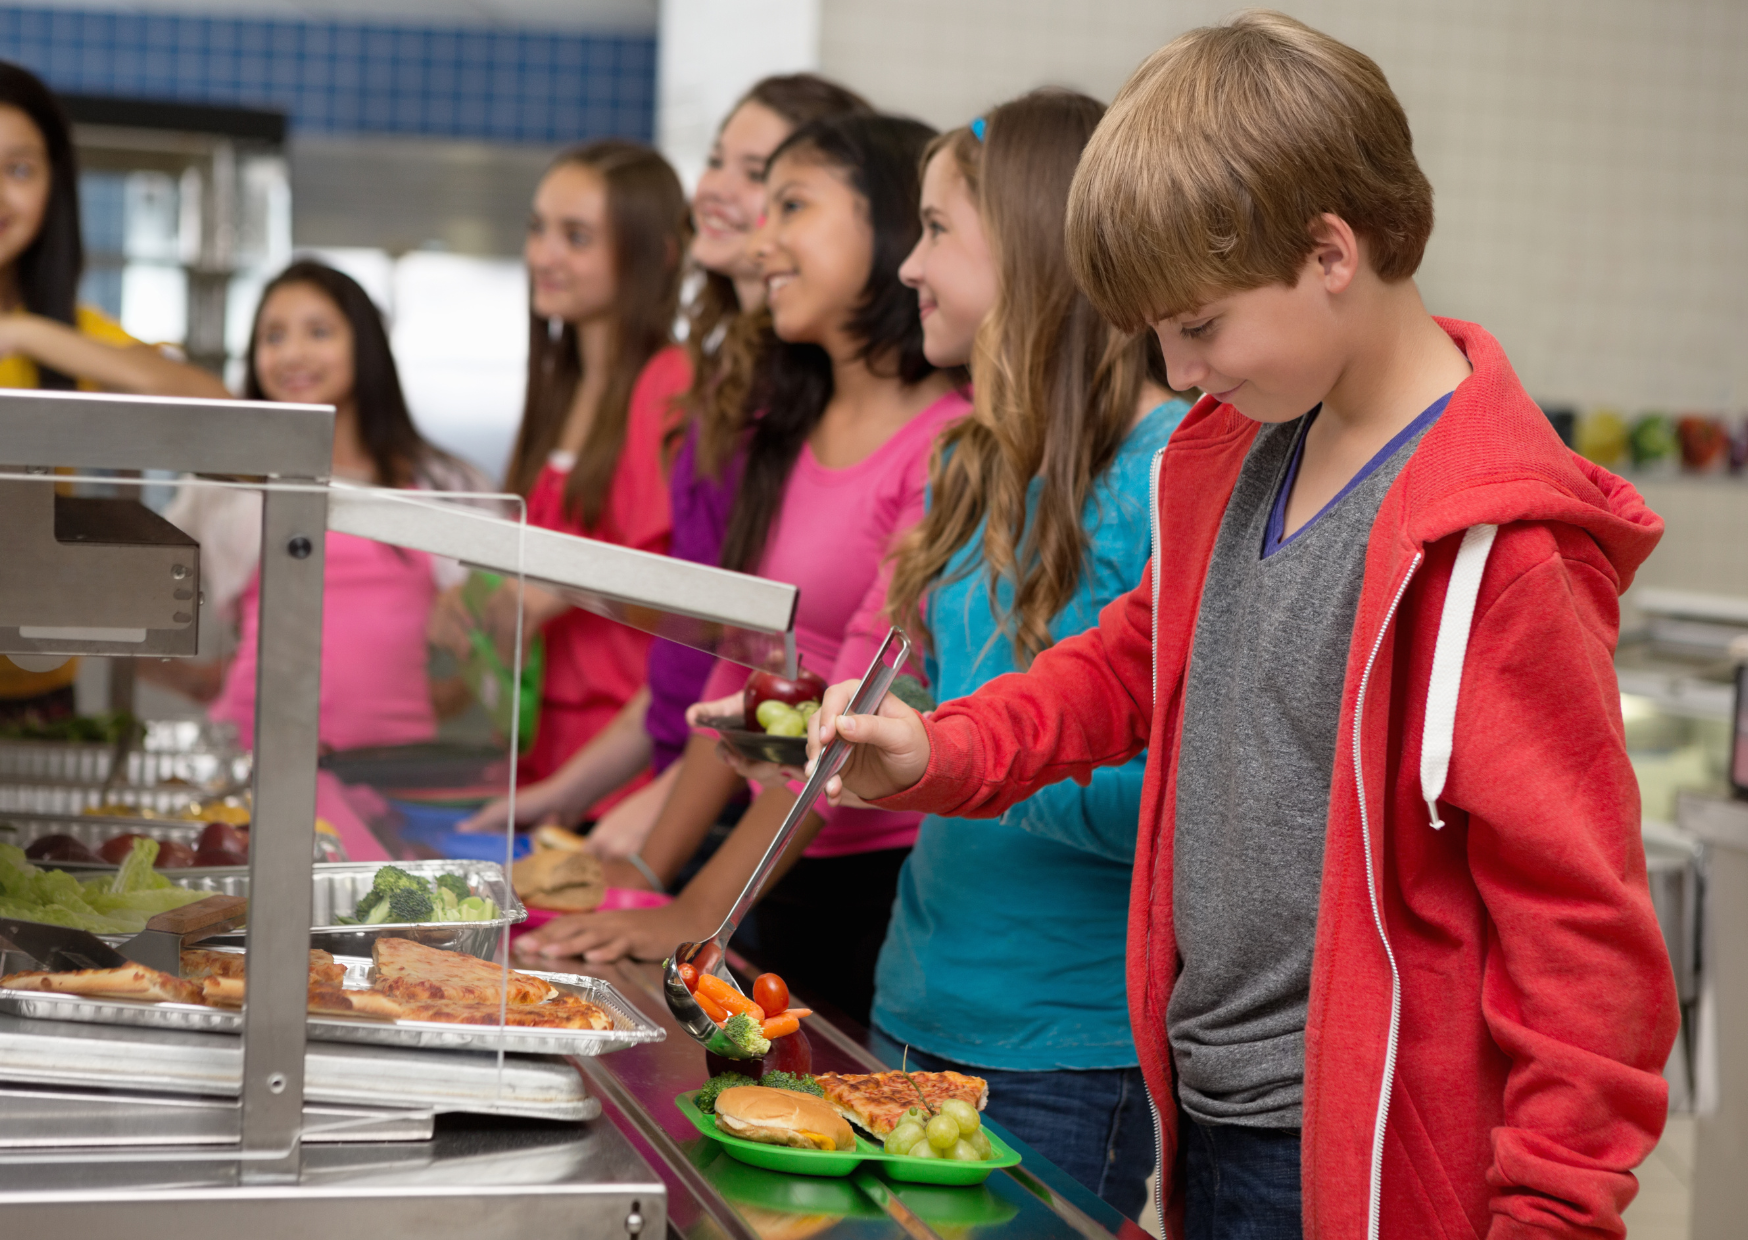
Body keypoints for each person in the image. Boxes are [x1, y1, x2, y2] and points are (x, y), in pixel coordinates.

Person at [807, 14, 1676, 1239]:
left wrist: (1553, 1212)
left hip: (1366, 1145)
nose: (1172, 372)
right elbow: (1125, 663)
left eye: (1198, 324)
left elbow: (1580, 934)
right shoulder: (1241, 455)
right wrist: (941, 748)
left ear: (1329, 249)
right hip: (1208, 1114)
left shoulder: (1500, 548)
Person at [517, 113, 969, 1027]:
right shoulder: (784, 432)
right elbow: (744, 662)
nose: (760, 245)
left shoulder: (945, 443)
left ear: (886, 227)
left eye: (791, 207)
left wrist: (698, 911)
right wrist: (649, 876)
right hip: (765, 859)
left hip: (863, 881)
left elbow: (857, 703)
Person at [867, 90, 1189, 1219]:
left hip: (1059, 1050)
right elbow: (949, 690)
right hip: (911, 1001)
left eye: (939, 230)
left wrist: (951, 762)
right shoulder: (973, 461)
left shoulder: (1165, 474)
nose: (908, 266)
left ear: (1039, 254)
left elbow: (1181, 805)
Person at [458, 75, 870, 848]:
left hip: (756, 802)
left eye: (775, 184)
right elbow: (714, 656)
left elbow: (742, 647)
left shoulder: (704, 388)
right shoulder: (719, 385)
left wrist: (659, 809)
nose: (713, 188)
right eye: (719, 160)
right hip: (679, 773)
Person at [432, 141, 694, 807]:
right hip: (544, 756)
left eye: (576, 237)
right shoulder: (558, 391)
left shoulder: (673, 386)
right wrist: (472, 600)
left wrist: (560, 589)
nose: (544, 256)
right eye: (538, 228)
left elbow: (694, 600)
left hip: (629, 768)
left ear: (655, 254)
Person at [153, 261, 494, 751]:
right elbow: (137, 591)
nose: (292, 354)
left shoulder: (444, 482)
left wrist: (458, 693)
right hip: (252, 759)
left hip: (395, 771)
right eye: (272, 337)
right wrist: (193, 681)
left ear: (366, 346)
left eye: (318, 332)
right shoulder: (224, 484)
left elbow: (506, 624)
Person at [0, 61, 230, 727]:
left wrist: (28, 333)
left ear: (55, 190)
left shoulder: (69, 338)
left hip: (34, 696)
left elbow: (215, 405)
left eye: (20, 169)